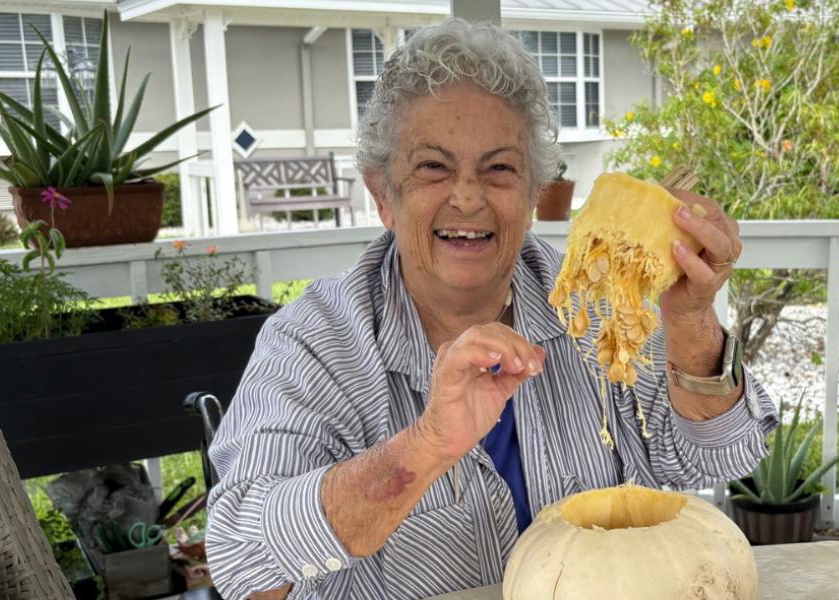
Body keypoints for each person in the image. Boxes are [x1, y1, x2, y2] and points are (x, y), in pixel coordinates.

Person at [206, 18, 778, 600]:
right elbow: (238, 560)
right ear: (384, 195)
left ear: (533, 195)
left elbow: (723, 456)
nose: (468, 197)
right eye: (433, 166)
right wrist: (426, 446)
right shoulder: (313, 343)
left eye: (499, 169)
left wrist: (689, 323)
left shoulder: (599, 300)